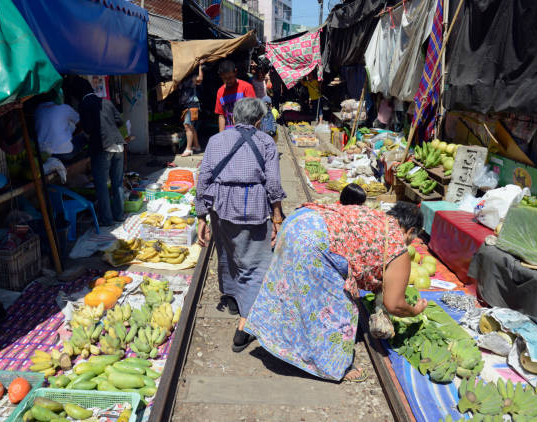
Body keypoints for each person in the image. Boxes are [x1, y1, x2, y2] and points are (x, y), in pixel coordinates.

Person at [244, 201, 427, 382]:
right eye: (413, 237)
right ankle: (331, 365)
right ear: (410, 231)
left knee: (288, 287)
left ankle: (273, 335)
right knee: (339, 306)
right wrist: (414, 310)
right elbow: (394, 304)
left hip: (298, 220)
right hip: (314, 240)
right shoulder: (398, 247)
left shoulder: (377, 217)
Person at [196, 98, 286, 353]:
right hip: (254, 206)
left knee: (227, 253)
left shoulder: (216, 141)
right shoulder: (266, 141)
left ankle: (233, 297)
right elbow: (273, 184)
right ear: (258, 121)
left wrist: (201, 216)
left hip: (222, 207)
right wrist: (277, 217)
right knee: (256, 264)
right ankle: (244, 324)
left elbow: (203, 177)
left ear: (234, 118)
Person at [73, 78, 126, 227]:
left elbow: (88, 128)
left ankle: (107, 220)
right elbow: (120, 121)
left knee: (102, 185)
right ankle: (119, 216)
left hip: (102, 147)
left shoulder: (84, 105)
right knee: (117, 184)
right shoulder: (106, 102)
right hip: (118, 144)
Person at [34, 94, 86, 163]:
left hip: (43, 154)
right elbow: (81, 124)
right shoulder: (64, 107)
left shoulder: (37, 110)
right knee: (84, 137)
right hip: (65, 153)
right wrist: (73, 136)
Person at [215, 60, 256, 132]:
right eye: (225, 78)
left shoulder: (246, 87)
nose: (228, 80)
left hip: (246, 132)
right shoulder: (220, 92)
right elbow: (221, 116)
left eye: (230, 77)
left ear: (235, 72)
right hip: (229, 134)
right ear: (221, 76)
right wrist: (221, 136)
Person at [180, 61, 204, 157]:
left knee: (187, 126)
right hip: (186, 105)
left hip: (192, 104)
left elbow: (200, 79)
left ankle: (189, 149)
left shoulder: (192, 77)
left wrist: (200, 66)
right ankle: (197, 146)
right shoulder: (181, 78)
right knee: (191, 126)